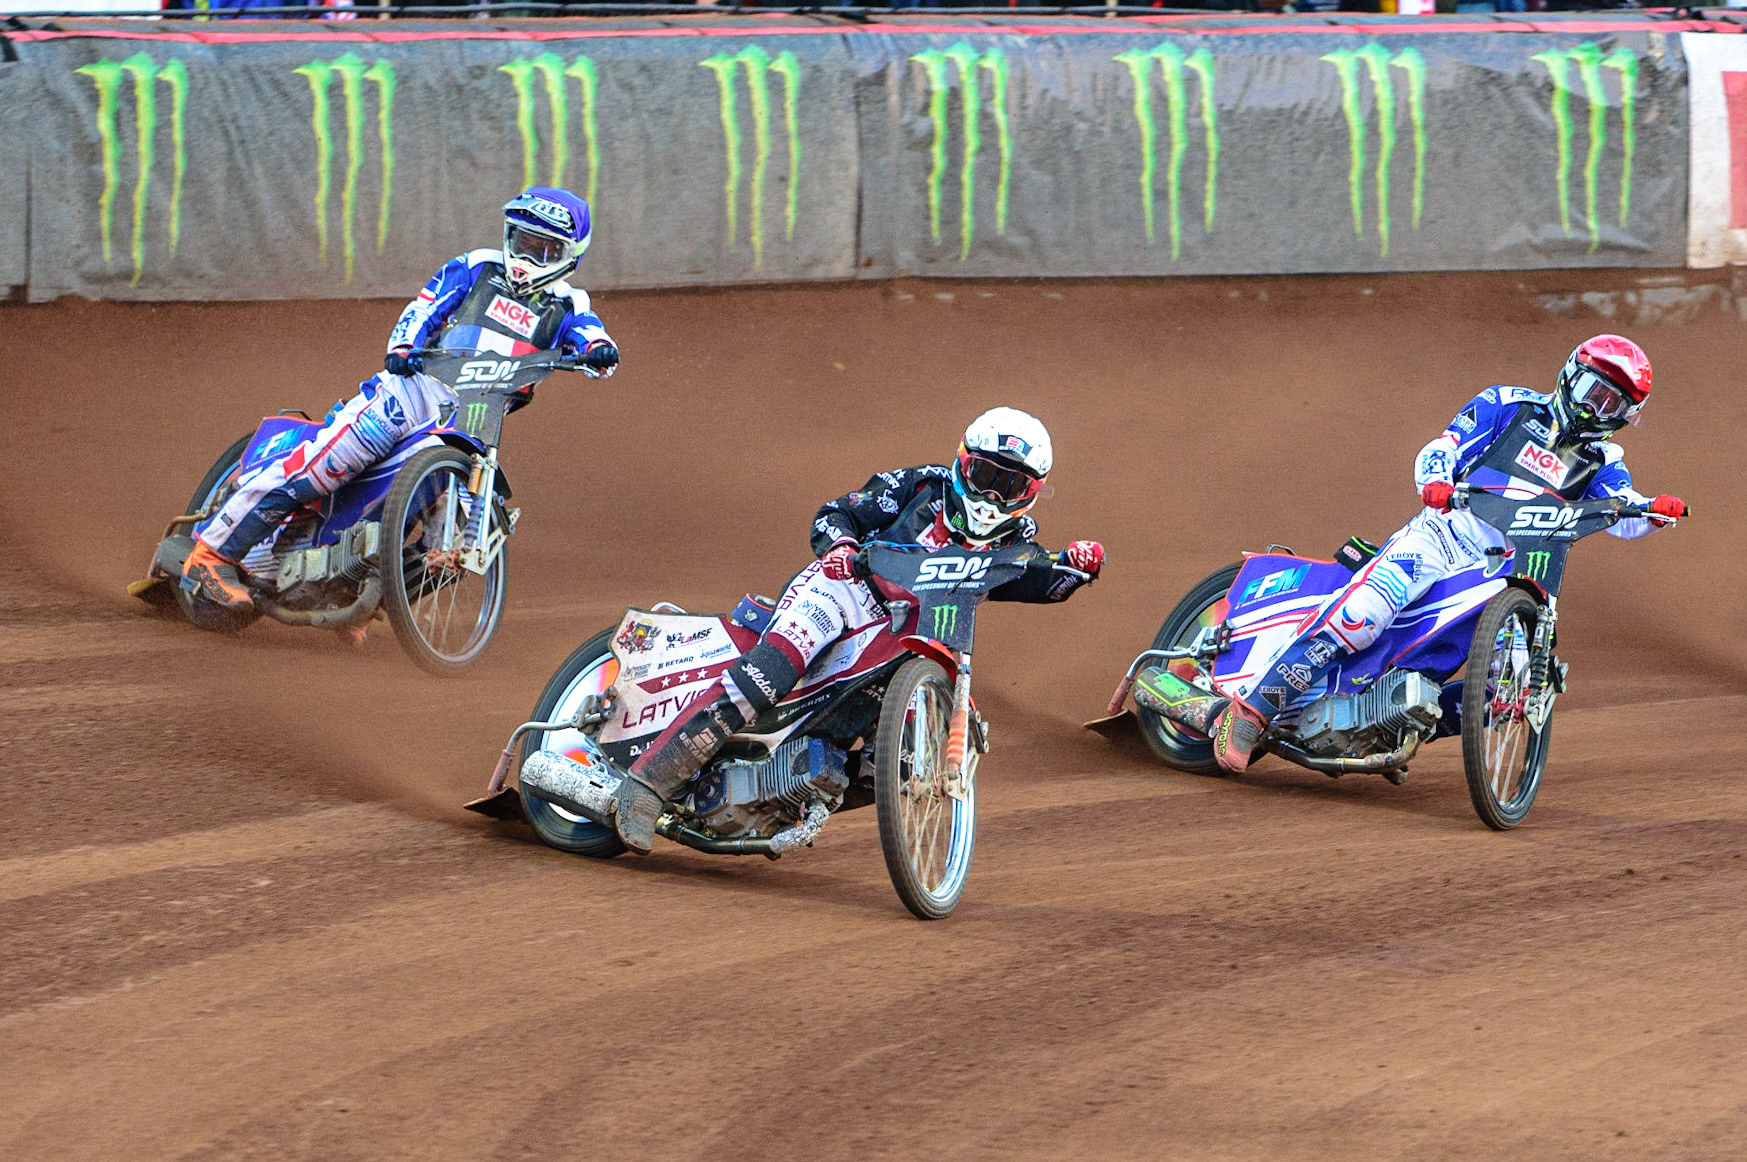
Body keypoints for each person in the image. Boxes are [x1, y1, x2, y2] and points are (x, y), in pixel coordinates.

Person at [611, 407, 1106, 853]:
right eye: (987, 474)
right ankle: (646, 786)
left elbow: (1034, 581)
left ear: (1032, 493)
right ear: (963, 461)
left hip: (911, 633)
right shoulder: (918, 485)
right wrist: (842, 547)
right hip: (844, 593)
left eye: (1012, 485)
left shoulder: (1018, 539)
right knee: (770, 675)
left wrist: (1076, 568)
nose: (994, 494)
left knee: (895, 764)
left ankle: (789, 794)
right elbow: (836, 512)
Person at [1201, 334, 1688, 773]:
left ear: (1625, 418)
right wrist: (1435, 480)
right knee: (1363, 615)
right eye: (1591, 391)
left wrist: (1652, 512)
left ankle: (1384, 729)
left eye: (1611, 404)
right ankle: (1251, 712)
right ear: (1568, 376)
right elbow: (1443, 446)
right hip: (1441, 536)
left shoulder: (1604, 461)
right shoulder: (1508, 404)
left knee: (1510, 693)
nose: (1594, 407)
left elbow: (1620, 512)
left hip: (1509, 569)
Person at [181, 187, 619, 611]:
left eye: (542, 250)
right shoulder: (477, 266)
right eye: (522, 242)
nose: (526, 258)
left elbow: (591, 336)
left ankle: (359, 600)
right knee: (326, 466)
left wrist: (599, 352)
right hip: (412, 390)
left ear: (568, 256)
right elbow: (425, 306)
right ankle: (212, 555)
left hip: (474, 423)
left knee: (468, 533)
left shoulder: (570, 304)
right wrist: (403, 346)